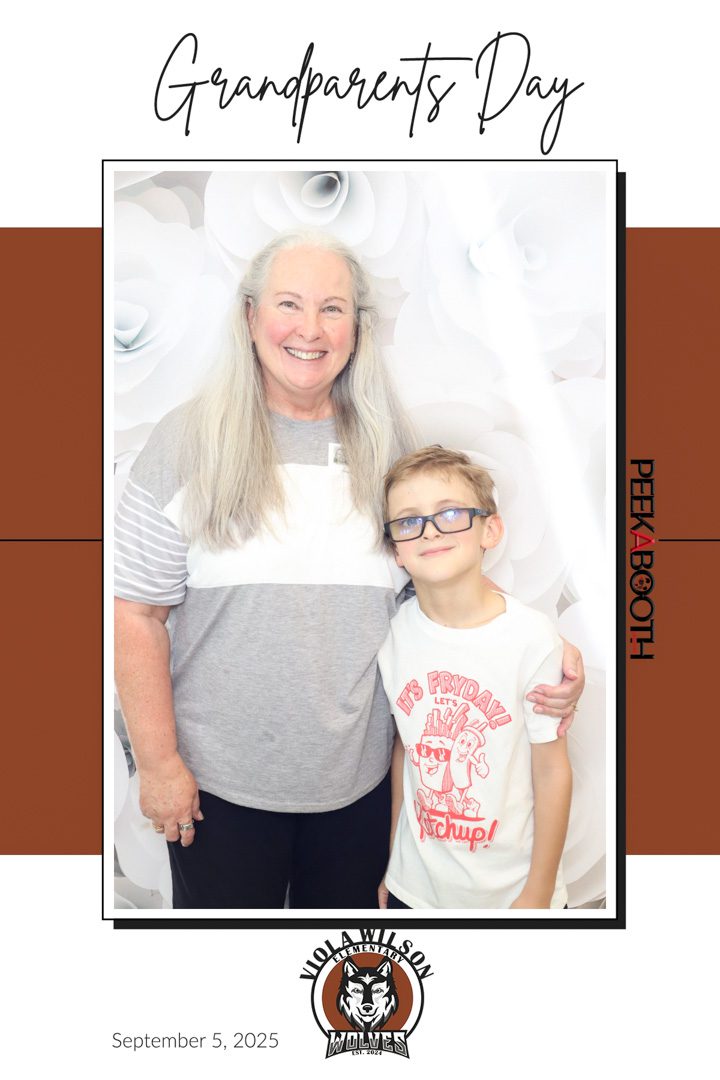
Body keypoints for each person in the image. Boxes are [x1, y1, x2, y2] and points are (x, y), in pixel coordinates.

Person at [114, 229, 583, 909]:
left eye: (332, 308)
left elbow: (438, 575)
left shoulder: (388, 448)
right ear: (250, 316)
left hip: (362, 792)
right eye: (289, 304)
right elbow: (136, 613)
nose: (310, 329)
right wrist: (159, 766)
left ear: (357, 329)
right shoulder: (184, 442)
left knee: (343, 967)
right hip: (216, 790)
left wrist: (541, 646)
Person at [377, 447, 572, 909]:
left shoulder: (531, 638)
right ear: (396, 550)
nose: (429, 531)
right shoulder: (393, 634)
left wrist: (538, 892)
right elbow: (406, 749)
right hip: (414, 890)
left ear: (491, 529)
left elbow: (551, 770)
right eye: (408, 521)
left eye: (450, 514)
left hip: (511, 896)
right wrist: (392, 864)